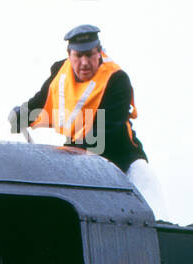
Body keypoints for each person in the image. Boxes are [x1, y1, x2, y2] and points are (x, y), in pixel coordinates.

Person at [9, 24, 147, 176]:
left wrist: (69, 153)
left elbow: (106, 130)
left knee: (143, 179)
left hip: (122, 161)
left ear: (99, 53)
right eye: (78, 55)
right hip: (78, 155)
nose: (84, 63)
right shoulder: (59, 71)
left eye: (89, 55)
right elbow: (42, 99)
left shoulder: (117, 79)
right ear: (69, 55)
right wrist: (22, 115)